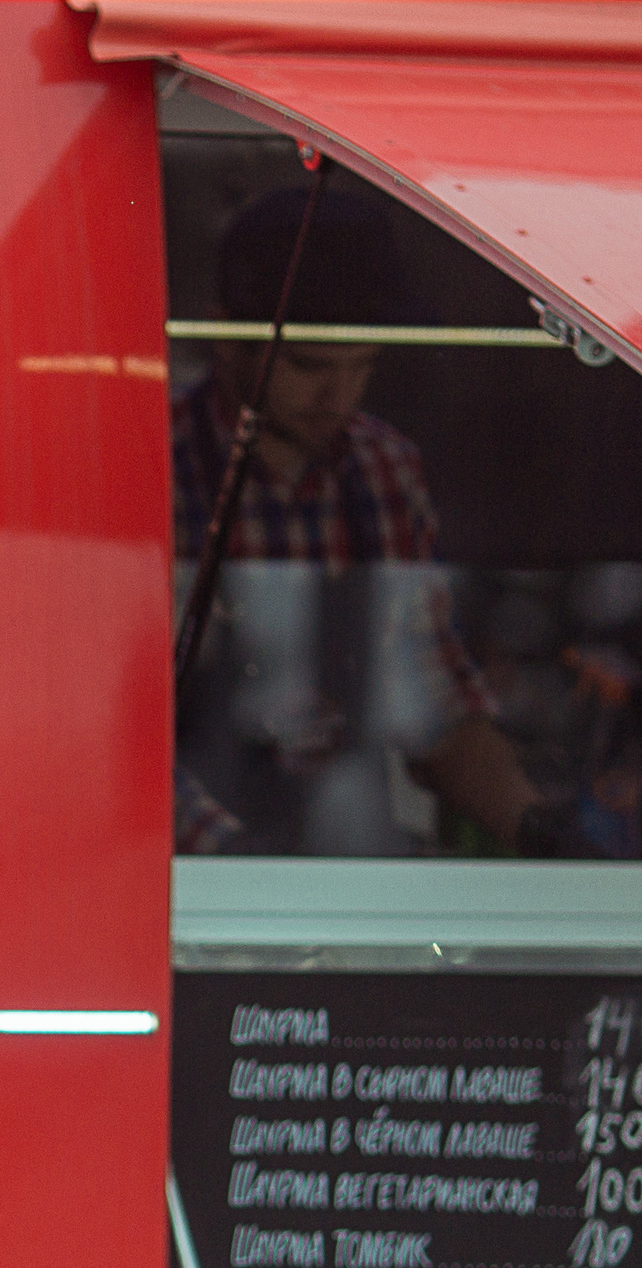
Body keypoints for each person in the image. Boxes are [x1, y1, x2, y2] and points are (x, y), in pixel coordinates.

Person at [172, 185, 542, 855]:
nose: (336, 396)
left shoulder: (384, 470)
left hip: (348, 854)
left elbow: (437, 703)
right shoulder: (154, 466)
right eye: (310, 366)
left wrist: (539, 825)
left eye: (361, 366)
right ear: (225, 338)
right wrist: (232, 858)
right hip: (193, 879)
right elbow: (116, 735)